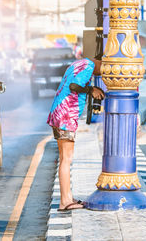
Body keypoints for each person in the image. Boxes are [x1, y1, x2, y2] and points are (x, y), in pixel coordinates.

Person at [47, 57, 105, 211]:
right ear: (101, 62)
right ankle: (65, 201)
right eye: (105, 69)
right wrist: (91, 89)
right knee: (66, 159)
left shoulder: (80, 64)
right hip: (65, 115)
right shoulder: (88, 66)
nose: (103, 74)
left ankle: (68, 197)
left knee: (65, 158)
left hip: (61, 113)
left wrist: (90, 87)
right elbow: (74, 86)